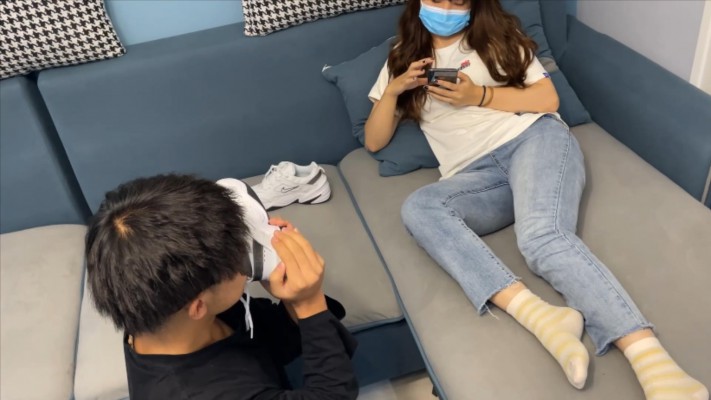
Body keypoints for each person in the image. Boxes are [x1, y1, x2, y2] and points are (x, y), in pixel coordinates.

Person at [364, 1, 708, 399]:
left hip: (532, 140)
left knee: (541, 237)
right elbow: (374, 141)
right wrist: (395, 90)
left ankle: (654, 361)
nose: (445, 7)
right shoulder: (401, 56)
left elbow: (547, 100)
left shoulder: (497, 37)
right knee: (419, 208)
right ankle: (545, 319)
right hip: (476, 175)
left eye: (457, 1)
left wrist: (478, 95)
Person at [84, 174, 358, 400]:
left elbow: (267, 341)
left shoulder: (153, 302)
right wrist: (309, 303)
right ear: (198, 306)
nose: (245, 261)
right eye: (239, 261)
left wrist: (293, 297)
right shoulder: (200, 392)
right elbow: (333, 394)